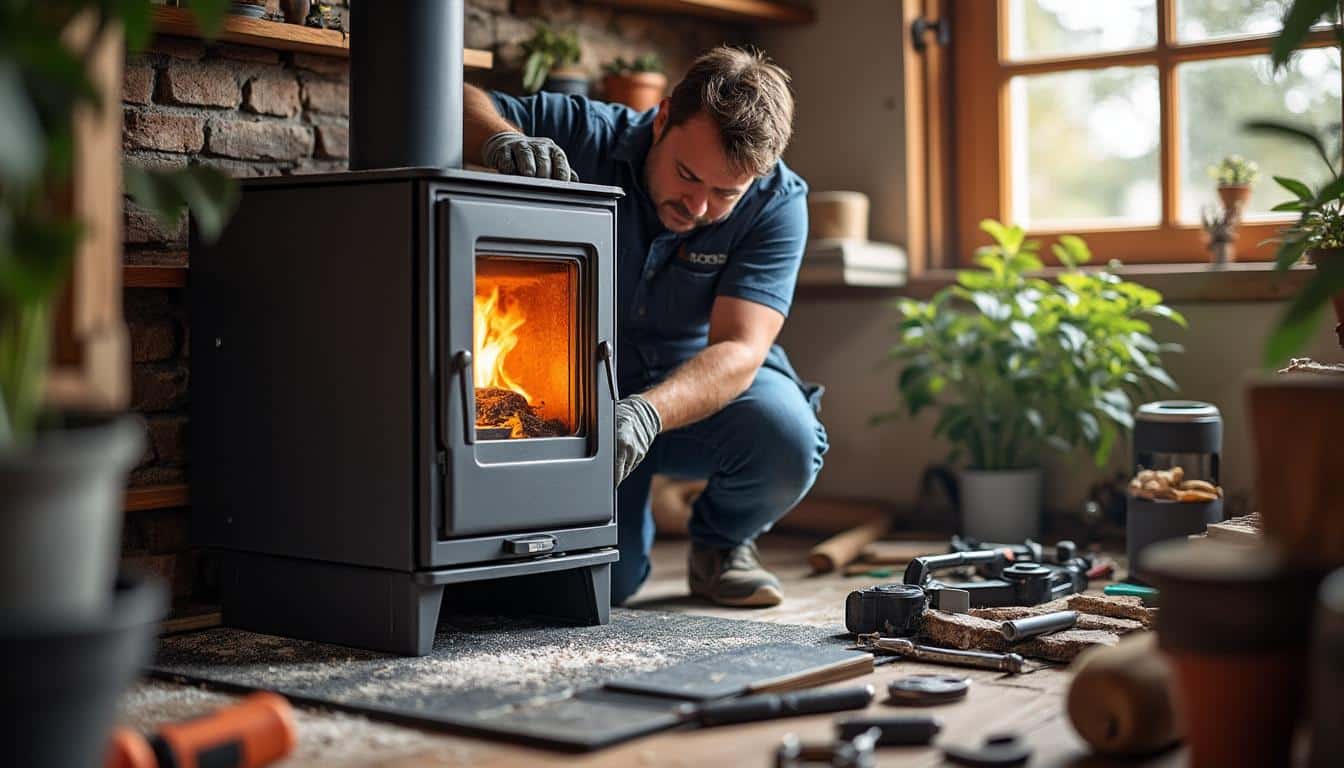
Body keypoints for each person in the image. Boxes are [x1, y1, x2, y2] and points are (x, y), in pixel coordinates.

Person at [463, 46, 827, 608]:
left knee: (788, 440)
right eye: (687, 175)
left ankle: (722, 546)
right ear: (661, 120)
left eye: (725, 193)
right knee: (612, 584)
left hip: (694, 389)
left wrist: (647, 412)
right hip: (582, 391)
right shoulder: (588, 132)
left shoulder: (779, 203)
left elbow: (739, 347)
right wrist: (499, 139)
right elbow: (461, 100)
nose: (700, 207)